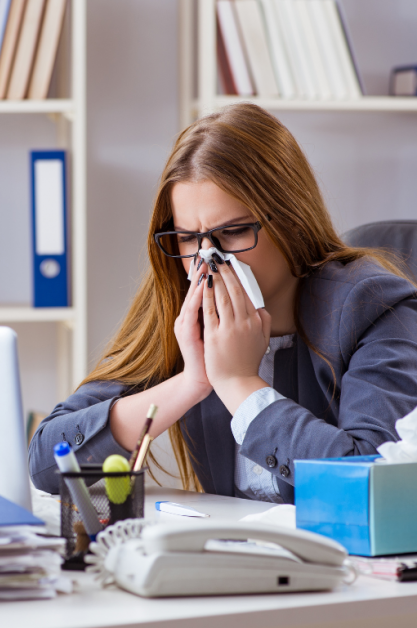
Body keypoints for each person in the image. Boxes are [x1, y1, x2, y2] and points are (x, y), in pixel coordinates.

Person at [29, 103, 417, 503]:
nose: (207, 259)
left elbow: (374, 488)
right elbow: (47, 461)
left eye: (231, 232)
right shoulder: (181, 302)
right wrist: (191, 382)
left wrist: (239, 385)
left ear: (292, 220)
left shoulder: (374, 307)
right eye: (187, 238)